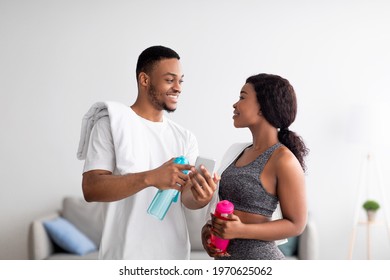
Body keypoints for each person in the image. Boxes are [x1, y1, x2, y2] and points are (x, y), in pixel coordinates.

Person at [77, 45, 218, 260]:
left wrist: (201, 197)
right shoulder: (111, 123)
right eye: (170, 80)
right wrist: (151, 177)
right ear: (144, 80)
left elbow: (186, 199)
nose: (178, 87)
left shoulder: (185, 137)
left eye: (181, 81)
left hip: (173, 257)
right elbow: (91, 188)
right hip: (124, 256)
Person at [201, 73, 309, 260]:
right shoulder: (238, 152)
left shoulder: (283, 159)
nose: (235, 104)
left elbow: (296, 224)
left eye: (242, 97)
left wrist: (241, 230)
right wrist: (208, 231)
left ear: (263, 106)